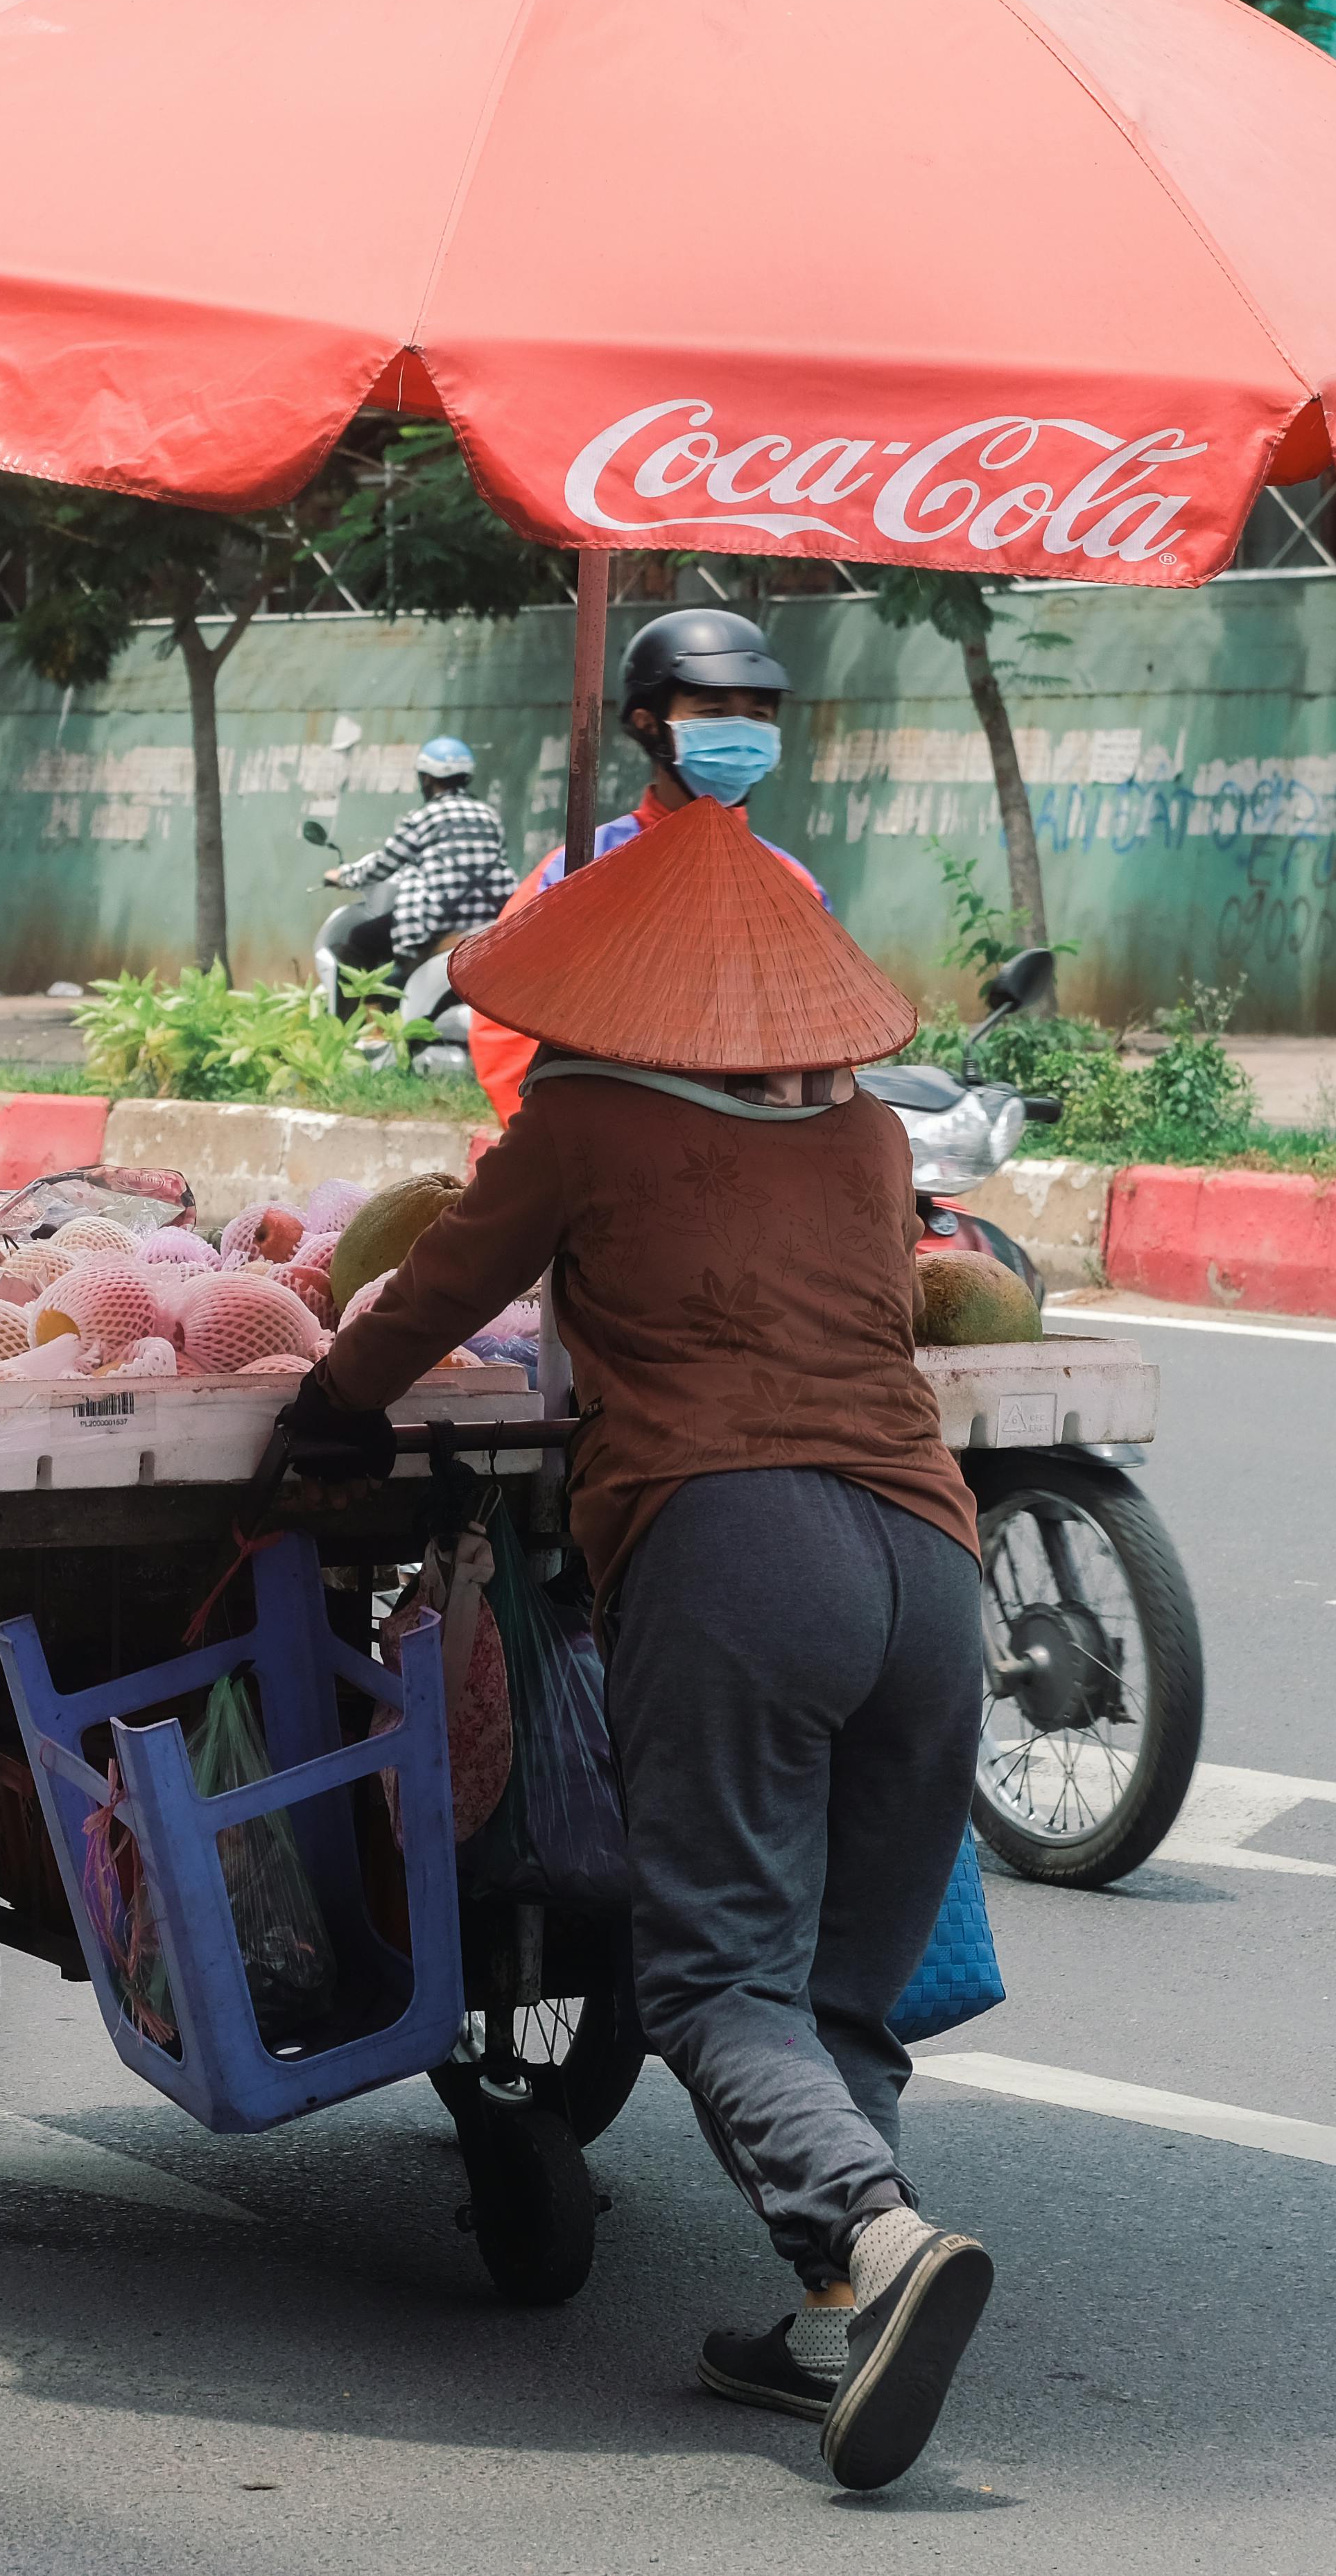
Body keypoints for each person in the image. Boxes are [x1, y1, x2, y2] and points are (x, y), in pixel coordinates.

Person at [288, 791, 994, 2493]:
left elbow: (440, 1289)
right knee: (841, 1981)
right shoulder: (862, 1140)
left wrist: (327, 1407)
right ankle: (833, 2313)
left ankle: (876, 2237)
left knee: (712, 1983)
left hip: (735, 1551)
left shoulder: (584, 1123)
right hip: (925, 1560)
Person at [467, 608, 830, 1123]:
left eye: (759, 715)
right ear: (648, 723)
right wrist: (550, 1135)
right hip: (602, 1139)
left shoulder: (793, 884)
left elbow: (824, 1034)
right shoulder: (583, 868)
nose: (742, 732)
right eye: (713, 712)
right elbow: (503, 1019)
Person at [318, 736, 514, 972]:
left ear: (427, 778)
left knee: (361, 937)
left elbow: (384, 864)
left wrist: (343, 876)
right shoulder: (489, 815)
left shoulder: (424, 817)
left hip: (437, 921)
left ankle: (365, 1006)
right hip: (489, 918)